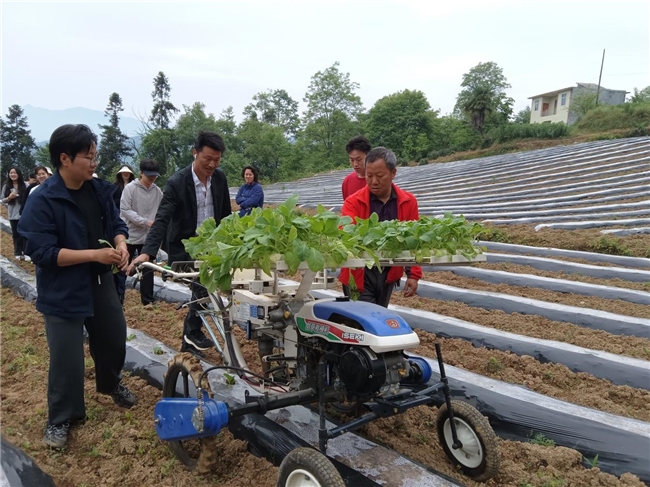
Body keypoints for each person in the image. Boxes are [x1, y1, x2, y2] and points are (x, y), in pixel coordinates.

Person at [18, 124, 136, 449]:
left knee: (113, 336)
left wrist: (121, 243)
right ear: (65, 159)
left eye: (95, 156)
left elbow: (116, 223)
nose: (94, 163)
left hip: (99, 281)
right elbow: (42, 252)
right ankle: (61, 418)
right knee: (66, 357)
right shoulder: (43, 198)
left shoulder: (97, 190)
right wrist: (93, 255)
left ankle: (111, 383)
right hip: (62, 288)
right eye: (89, 157)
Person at [128, 131, 232, 356]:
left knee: (209, 288)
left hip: (212, 246)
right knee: (204, 284)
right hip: (185, 248)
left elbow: (225, 216)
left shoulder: (220, 179)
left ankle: (188, 341)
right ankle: (192, 333)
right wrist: (148, 253)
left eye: (217, 160)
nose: (212, 164)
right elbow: (162, 219)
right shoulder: (177, 182)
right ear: (195, 153)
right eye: (208, 159)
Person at [339, 147, 422, 307]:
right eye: (369, 176)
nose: (374, 181)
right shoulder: (353, 202)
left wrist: (413, 274)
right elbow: (347, 236)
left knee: (379, 313)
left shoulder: (408, 201)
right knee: (365, 319)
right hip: (359, 272)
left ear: (393, 173)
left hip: (389, 271)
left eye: (380, 176)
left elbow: (414, 240)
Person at [120, 159, 163, 305]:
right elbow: (125, 210)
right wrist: (145, 221)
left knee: (148, 268)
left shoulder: (157, 191)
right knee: (122, 266)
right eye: (149, 175)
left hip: (147, 236)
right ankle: (118, 298)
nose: (152, 179)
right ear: (141, 173)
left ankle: (148, 300)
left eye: (154, 176)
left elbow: (162, 210)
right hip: (130, 235)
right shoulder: (131, 188)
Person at [1, 167, 28, 260]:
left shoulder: (25, 185)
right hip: (13, 214)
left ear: (19, 174)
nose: (12, 174)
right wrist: (9, 197)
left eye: (15, 173)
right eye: (11, 173)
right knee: (16, 234)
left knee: (25, 233)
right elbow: (3, 200)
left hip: (25, 214)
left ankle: (26, 252)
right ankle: (18, 252)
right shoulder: (6, 186)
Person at [342, 136, 371, 200]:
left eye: (359, 159)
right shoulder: (347, 181)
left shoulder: (378, 180)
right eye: (352, 160)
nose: (355, 164)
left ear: (368, 156)